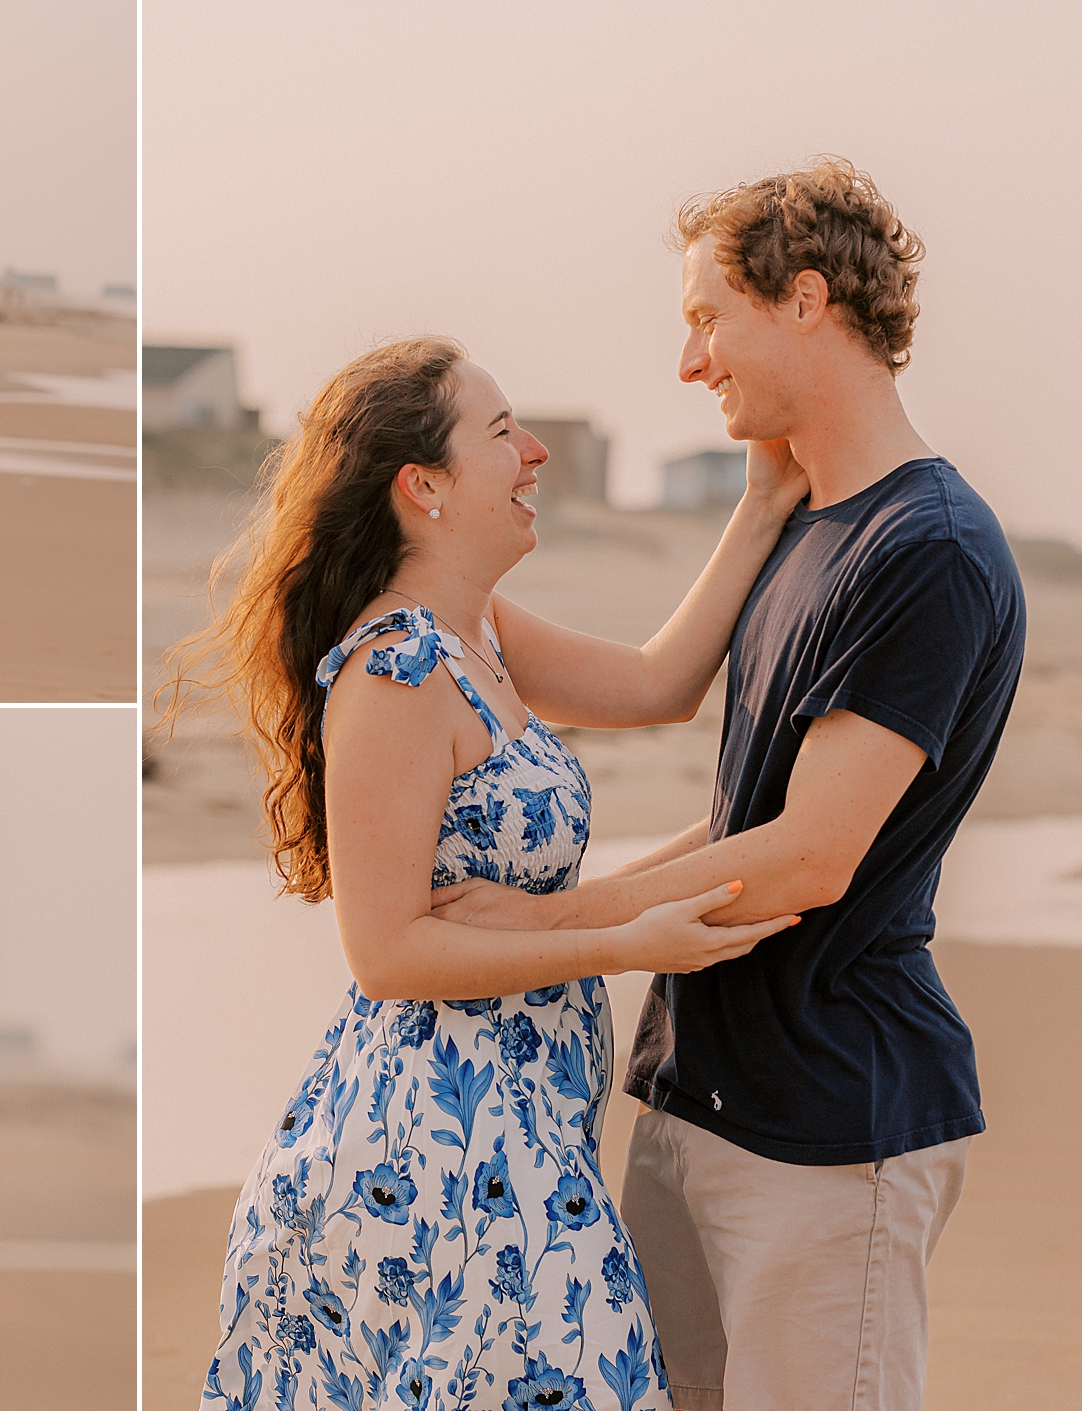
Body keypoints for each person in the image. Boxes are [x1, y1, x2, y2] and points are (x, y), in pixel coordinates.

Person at [432, 160, 1025, 1411]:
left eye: (706, 316)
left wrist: (543, 930)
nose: (690, 362)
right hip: (693, 1096)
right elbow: (744, 814)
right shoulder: (808, 523)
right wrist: (585, 918)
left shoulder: (927, 550)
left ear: (803, 301)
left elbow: (808, 854)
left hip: (828, 1132)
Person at [161, 337, 809, 1411]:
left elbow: (658, 685)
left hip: (518, 1126)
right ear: (422, 487)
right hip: (428, 1151)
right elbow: (383, 952)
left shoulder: (478, 634)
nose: (537, 453)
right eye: (502, 435)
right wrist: (619, 944)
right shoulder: (397, 670)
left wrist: (760, 501)